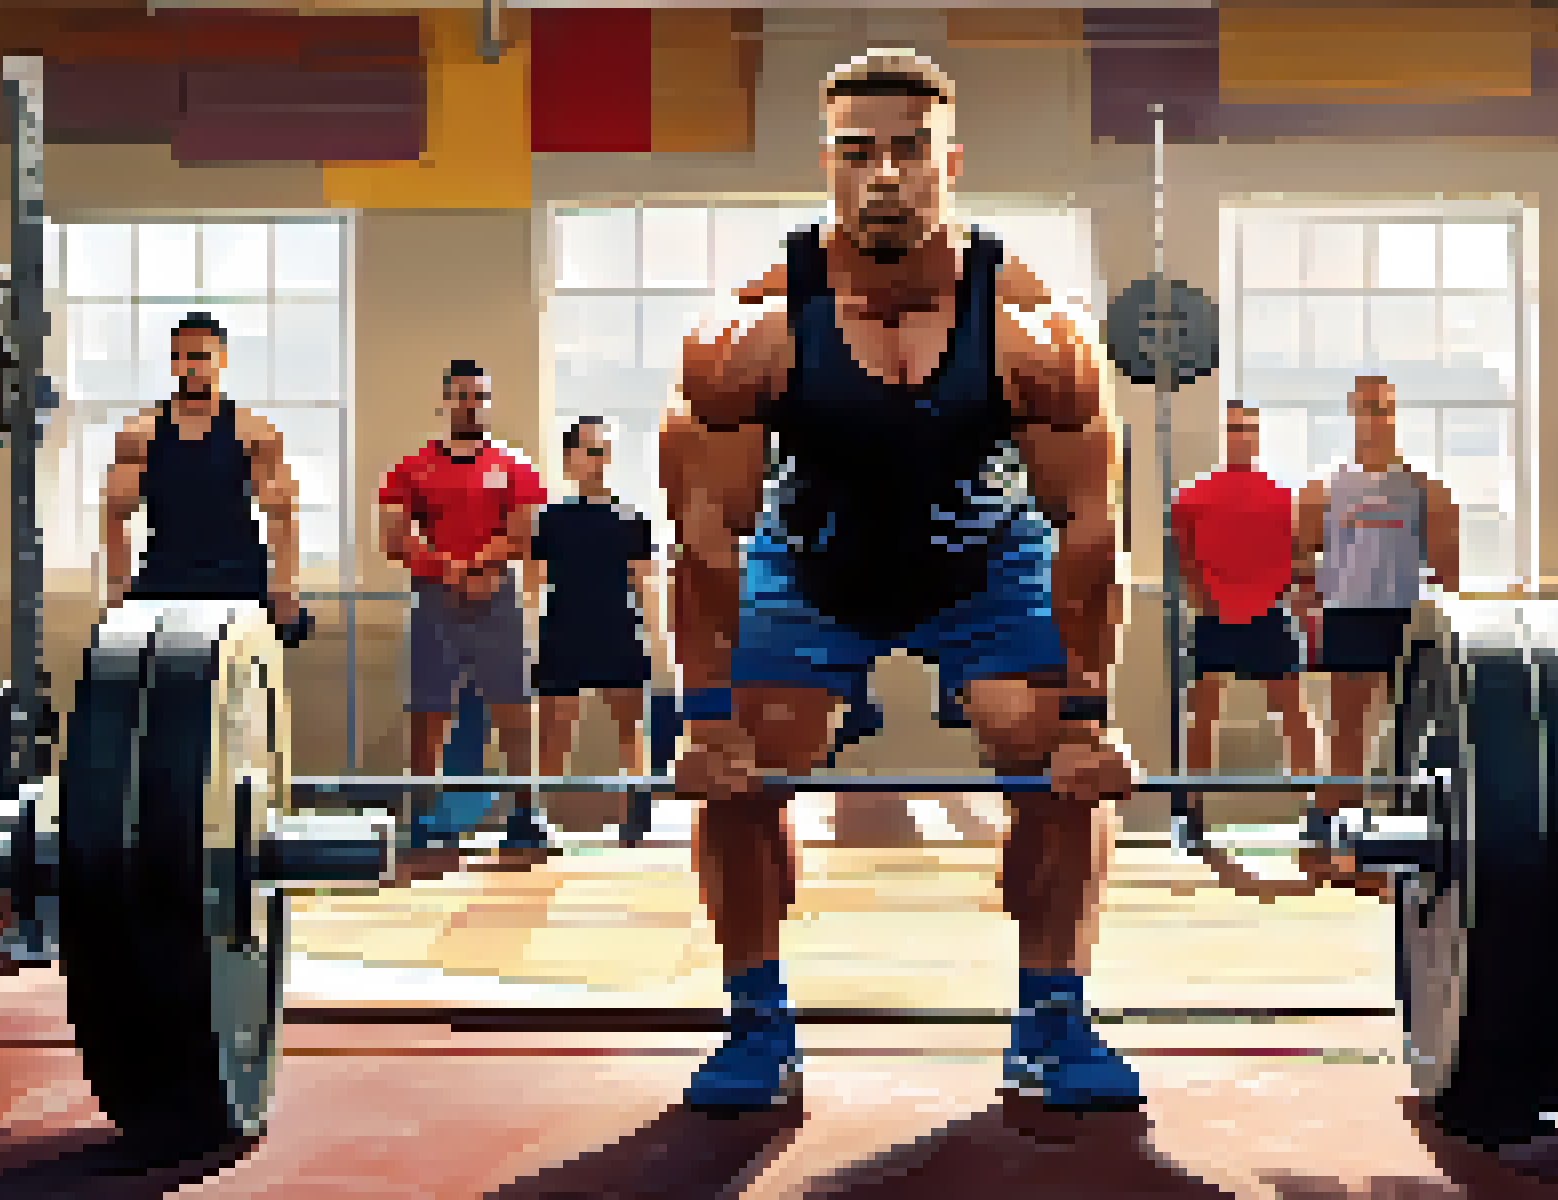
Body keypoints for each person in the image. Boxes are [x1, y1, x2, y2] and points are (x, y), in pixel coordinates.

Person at [661, 49, 1138, 1115]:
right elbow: (707, 535)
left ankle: (1053, 1018)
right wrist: (705, 721)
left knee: (1044, 752)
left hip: (985, 562)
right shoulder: (747, 336)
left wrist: (1088, 714)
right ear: (825, 165)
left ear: (950, 162)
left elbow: (1089, 525)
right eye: (858, 152)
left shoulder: (1038, 337)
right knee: (751, 762)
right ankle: (755, 1020)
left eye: (909, 151)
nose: (885, 174)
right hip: (810, 561)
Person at [1294, 377, 1459, 884]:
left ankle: (1409, 838)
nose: (1376, 418)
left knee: (1414, 732)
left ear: (1394, 414)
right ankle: (1339, 834)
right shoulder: (1325, 488)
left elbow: (1447, 563)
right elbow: (1302, 557)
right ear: (1352, 415)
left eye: (1384, 408)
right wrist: (1309, 603)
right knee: (1348, 733)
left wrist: (1443, 601)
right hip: (1348, 614)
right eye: (1367, 408)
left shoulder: (1422, 486)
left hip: (1404, 617)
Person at [379, 361, 547, 859]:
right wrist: (446, 568)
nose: (470, 404)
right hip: (434, 598)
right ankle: (424, 821)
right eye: (461, 396)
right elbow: (393, 536)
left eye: (479, 396)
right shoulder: (410, 468)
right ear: (445, 401)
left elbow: (523, 533)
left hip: (497, 596)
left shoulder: (514, 465)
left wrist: (477, 566)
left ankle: (524, 816)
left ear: (488, 402)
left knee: (514, 710)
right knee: (427, 713)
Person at [101, 312, 303, 631]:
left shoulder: (254, 432)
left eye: (200, 356)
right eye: (181, 357)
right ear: (172, 362)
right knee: (122, 670)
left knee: (234, 675)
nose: (190, 366)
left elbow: (281, 514)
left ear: (220, 360)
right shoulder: (139, 433)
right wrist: (116, 596)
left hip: (239, 576)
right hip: (166, 573)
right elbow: (116, 514)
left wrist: (284, 593)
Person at [1172, 405, 1316, 784]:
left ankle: (1318, 817)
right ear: (1224, 435)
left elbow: (1298, 555)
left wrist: (1297, 592)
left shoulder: (1283, 497)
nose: (1241, 436)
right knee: (1202, 715)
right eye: (1234, 428)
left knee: (1293, 710)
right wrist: (1202, 597)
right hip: (1215, 620)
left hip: (1267, 615)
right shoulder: (1193, 497)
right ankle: (1194, 820)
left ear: (1257, 435)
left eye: (1248, 428)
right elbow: (1184, 556)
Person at [531, 416, 662, 791]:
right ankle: (539, 823)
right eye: (590, 451)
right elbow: (531, 583)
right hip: (562, 637)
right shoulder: (548, 520)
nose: (598, 459)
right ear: (569, 459)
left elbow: (644, 584)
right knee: (552, 738)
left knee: (631, 734)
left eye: (604, 451)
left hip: (617, 637)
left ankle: (636, 820)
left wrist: (658, 643)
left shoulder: (632, 519)